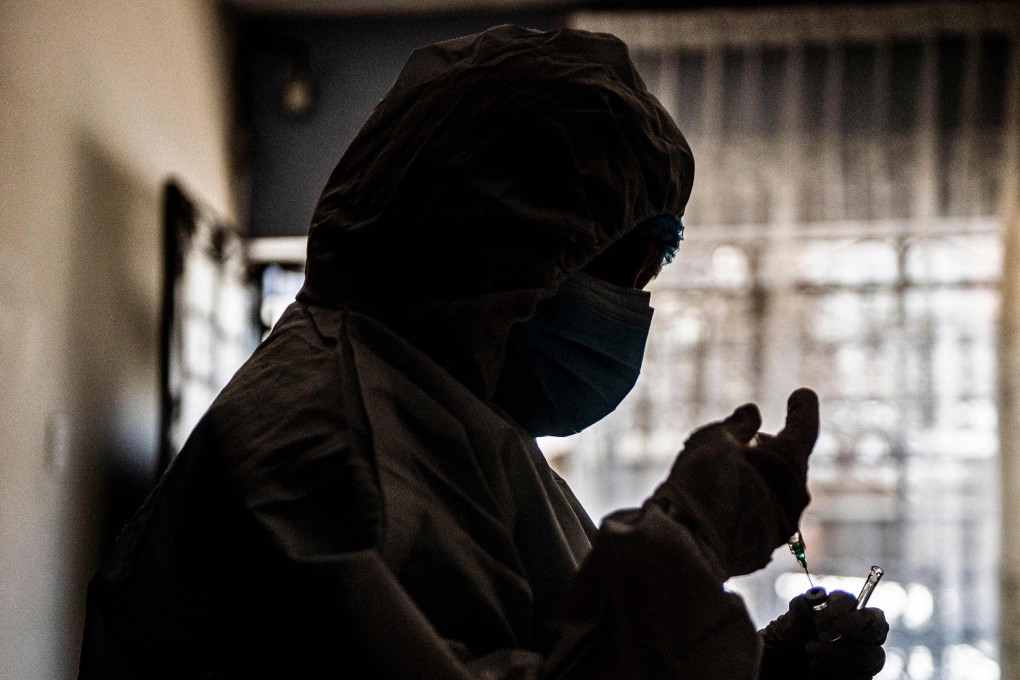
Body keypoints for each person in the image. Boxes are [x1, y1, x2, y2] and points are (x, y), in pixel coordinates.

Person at [79, 25, 888, 679]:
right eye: (618, 271)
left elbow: (557, 653)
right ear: (495, 242)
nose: (634, 312)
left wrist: (757, 670)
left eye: (649, 277)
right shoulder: (325, 456)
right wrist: (690, 540)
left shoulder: (447, 416)